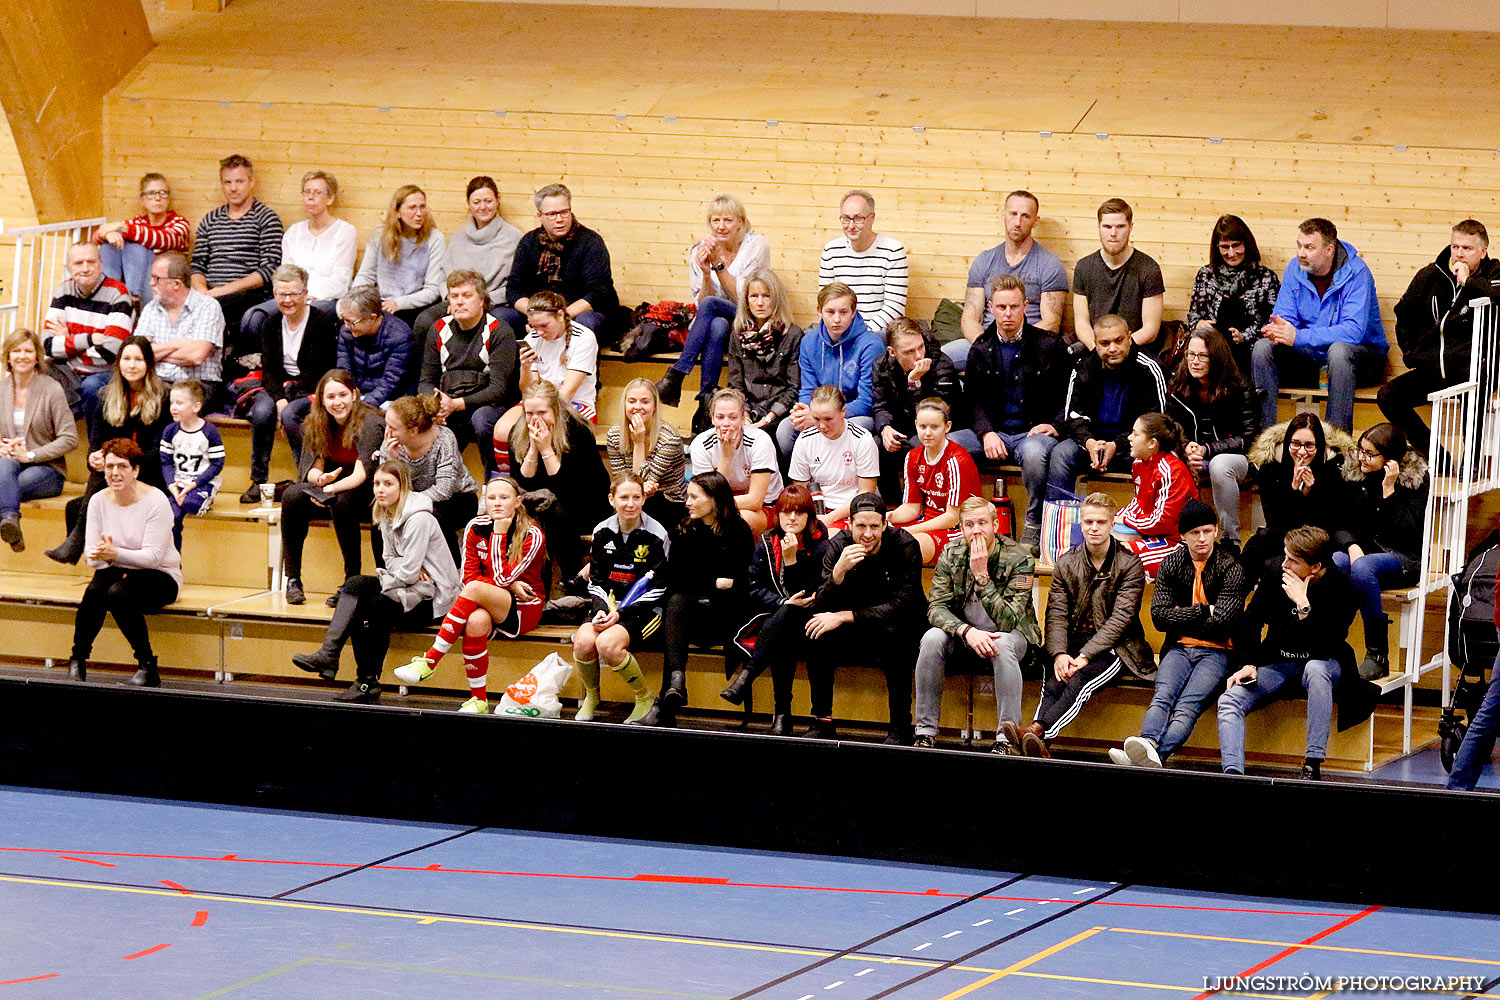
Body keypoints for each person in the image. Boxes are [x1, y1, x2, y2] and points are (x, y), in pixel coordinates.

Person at [291, 460, 459, 704]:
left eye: (388, 484)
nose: (380, 489)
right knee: (356, 584)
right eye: (377, 483)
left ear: (403, 487)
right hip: (407, 588)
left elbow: (410, 573)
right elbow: (390, 560)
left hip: (434, 599)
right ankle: (330, 655)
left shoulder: (419, 519)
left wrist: (400, 571)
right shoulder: (386, 513)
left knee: (371, 606)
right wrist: (401, 570)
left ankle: (365, 682)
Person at [1218, 526, 1373, 780]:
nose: (1285, 564)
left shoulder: (1344, 588)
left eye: (1293, 560)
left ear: (1314, 567)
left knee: (1315, 669)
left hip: (1325, 662)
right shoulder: (1275, 571)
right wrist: (1248, 663)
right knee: (1228, 701)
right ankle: (1234, 776)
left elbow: (1326, 646)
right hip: (1279, 661)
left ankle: (1312, 763)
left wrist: (1303, 605)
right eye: (1285, 556)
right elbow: (1250, 620)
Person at [1109, 500, 1246, 768]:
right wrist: (1205, 611)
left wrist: (1182, 616)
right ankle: (1147, 745)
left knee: (1186, 706)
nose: (1202, 538)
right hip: (1180, 647)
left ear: (1216, 531)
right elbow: (1160, 617)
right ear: (1183, 536)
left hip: (1217, 651)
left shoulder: (1231, 567)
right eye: (1194, 533)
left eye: (1207, 531)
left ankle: (1150, 756)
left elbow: (1224, 623)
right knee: (1162, 696)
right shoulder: (1171, 564)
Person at [394, 475, 546, 713]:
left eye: (504, 498)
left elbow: (501, 579)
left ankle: (430, 660)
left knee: (475, 590)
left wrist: (499, 534)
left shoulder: (532, 533)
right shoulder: (475, 526)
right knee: (475, 621)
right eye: (491, 497)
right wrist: (507, 585)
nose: (496, 503)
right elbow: (468, 577)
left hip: (524, 606)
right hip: (488, 600)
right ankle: (479, 699)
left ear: (517, 502)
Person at [1028, 492, 1152, 758]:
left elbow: (1121, 620)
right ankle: (1037, 740)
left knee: (1079, 680)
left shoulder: (1130, 564)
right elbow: (1056, 614)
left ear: (1112, 524)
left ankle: (1039, 732)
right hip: (1074, 641)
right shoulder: (1066, 562)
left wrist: (1084, 656)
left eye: (1100, 522)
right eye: (1088, 522)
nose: (1094, 528)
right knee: (1054, 677)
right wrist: (1060, 653)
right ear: (1081, 524)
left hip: (1119, 648)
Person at [916, 496, 1042, 753]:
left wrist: (982, 577)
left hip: (1013, 638)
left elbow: (1009, 621)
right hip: (967, 637)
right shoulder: (951, 553)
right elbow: (935, 608)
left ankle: (1007, 737)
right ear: (961, 529)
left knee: (1003, 643)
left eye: (982, 523)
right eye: (969, 524)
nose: (976, 531)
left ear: (995, 525)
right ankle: (924, 733)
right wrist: (966, 631)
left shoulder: (1022, 559)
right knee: (931, 638)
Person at [959, 274, 1070, 548]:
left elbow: (1070, 393)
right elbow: (971, 400)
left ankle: (1033, 522)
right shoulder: (980, 348)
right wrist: (985, 432)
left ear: (1025, 306)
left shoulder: (1050, 345)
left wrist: (1054, 425)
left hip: (1032, 432)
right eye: (1001, 307)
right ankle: (963, 519)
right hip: (993, 431)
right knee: (951, 447)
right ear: (991, 308)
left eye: (1014, 307)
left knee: (1035, 454)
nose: (1007, 314)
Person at [805, 492, 926, 743]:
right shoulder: (838, 545)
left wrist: (845, 616)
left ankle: (900, 726)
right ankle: (822, 720)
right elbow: (822, 602)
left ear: (885, 525)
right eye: (861, 526)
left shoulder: (905, 546)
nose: (867, 534)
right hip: (858, 624)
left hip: (899, 624)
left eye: (874, 526)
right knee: (817, 629)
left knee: (896, 636)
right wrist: (837, 573)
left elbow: (901, 606)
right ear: (850, 525)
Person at [65, 439, 182, 687]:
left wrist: (114, 553)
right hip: (116, 567)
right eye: (109, 467)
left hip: (160, 574)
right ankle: (78, 659)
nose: (114, 473)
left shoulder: (156, 500)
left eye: (122, 467)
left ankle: (147, 665)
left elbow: (152, 558)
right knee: (96, 590)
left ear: (135, 470)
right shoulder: (98, 500)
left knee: (118, 593)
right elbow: (91, 556)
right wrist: (106, 557)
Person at [1252, 218, 1388, 432]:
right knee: (1262, 348)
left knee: (1340, 351)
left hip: (1361, 361)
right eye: (1299, 245)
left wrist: (1298, 336)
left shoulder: (1357, 272)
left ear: (1329, 250)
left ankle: (1335, 446)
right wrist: (1279, 330)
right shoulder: (1294, 269)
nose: (1301, 253)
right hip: (1312, 359)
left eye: (1309, 247)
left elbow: (1352, 331)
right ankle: (1263, 441)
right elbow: (1285, 318)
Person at [641, 471, 754, 727]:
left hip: (725, 618)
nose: (687, 502)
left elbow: (741, 584)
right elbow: (676, 578)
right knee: (677, 601)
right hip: (690, 615)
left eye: (694, 497)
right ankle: (676, 682)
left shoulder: (738, 531)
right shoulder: (686, 528)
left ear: (714, 500)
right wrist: (714, 582)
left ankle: (666, 701)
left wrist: (703, 583)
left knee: (679, 604)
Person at [45, 336, 170, 565]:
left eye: (138, 360)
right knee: (81, 498)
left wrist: (122, 459)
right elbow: (95, 443)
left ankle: (76, 541)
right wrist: (94, 458)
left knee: (104, 475)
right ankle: (90, 552)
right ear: (118, 362)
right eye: (126, 359)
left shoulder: (164, 396)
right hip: (115, 475)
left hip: (149, 472)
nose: (132, 365)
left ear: (149, 364)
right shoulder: (105, 396)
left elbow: (162, 449)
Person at [1383, 220, 1500, 455]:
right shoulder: (1431, 275)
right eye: (1455, 246)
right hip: (1434, 366)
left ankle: (1472, 462)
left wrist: (1468, 282)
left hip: (1479, 367)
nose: (1459, 254)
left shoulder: (1494, 274)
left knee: (1474, 393)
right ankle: (1434, 452)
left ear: (1483, 252)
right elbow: (1403, 313)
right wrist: (1411, 353)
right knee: (1388, 396)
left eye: (1467, 249)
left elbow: (1495, 294)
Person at [721, 485, 833, 723]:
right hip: (776, 617)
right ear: (778, 514)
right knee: (783, 631)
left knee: (786, 621)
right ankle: (781, 714)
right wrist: (782, 602)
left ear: (809, 517)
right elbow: (753, 587)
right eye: (785, 512)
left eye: (799, 513)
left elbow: (808, 595)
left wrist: (792, 560)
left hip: (812, 618)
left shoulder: (822, 545)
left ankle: (759, 691)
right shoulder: (766, 541)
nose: (791, 518)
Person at [279, 369, 385, 606]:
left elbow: (361, 475)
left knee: (343, 502)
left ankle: (351, 580)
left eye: (343, 395)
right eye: (331, 397)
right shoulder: (316, 422)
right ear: (321, 400)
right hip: (333, 486)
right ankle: (293, 578)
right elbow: (313, 469)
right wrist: (321, 480)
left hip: (365, 490)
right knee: (292, 496)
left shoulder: (370, 423)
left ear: (354, 394)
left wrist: (329, 490)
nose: (337, 402)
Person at [572, 472, 670, 723]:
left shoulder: (657, 534)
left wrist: (621, 613)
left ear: (644, 499)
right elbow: (596, 580)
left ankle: (644, 698)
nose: (630, 504)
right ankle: (592, 696)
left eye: (636, 497)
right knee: (583, 641)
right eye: (624, 497)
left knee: (607, 644)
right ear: (611, 499)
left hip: (644, 611)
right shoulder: (602, 531)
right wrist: (603, 609)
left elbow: (658, 587)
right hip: (609, 606)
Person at [656, 194, 771, 408]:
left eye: (728, 220)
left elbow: (744, 298)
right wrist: (706, 273)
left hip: (749, 318)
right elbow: (701, 305)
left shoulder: (756, 245)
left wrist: (718, 263)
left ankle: (678, 373)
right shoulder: (700, 250)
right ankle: (705, 403)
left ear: (741, 223)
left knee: (712, 305)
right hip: (718, 324)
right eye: (715, 221)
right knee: (717, 324)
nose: (721, 226)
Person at [1336, 422, 1429, 680]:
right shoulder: (1355, 475)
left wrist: (1390, 492)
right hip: (1365, 554)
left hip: (1405, 558)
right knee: (1335, 561)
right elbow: (1339, 522)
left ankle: (1378, 654)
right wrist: (1351, 545)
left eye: (1369, 453)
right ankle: (1331, 643)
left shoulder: (1415, 481)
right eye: (1360, 450)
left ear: (1389, 459)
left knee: (1363, 567)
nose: (1362, 458)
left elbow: (1409, 532)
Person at [240, 263, 339, 502]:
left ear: (305, 294)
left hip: (312, 386)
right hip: (281, 387)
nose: (288, 300)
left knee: (291, 414)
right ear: (274, 295)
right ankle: (258, 480)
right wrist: (280, 398)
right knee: (263, 410)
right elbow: (270, 370)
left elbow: (323, 369)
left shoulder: (322, 321)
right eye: (282, 294)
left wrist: (290, 397)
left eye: (294, 294)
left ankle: (305, 479)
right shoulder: (271, 322)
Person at [1044, 314, 1168, 503]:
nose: (1113, 348)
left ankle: (1145, 521)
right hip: (1093, 444)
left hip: (1132, 446)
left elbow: (1156, 424)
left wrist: (1117, 445)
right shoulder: (1083, 367)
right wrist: (1090, 443)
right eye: (1105, 343)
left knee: (1153, 456)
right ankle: (1060, 524)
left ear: (1129, 337)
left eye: (1119, 340)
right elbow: (1072, 416)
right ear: (1095, 343)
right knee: (1061, 454)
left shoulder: (1149, 368)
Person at [237, 170, 358, 357]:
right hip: (291, 296)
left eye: (317, 193)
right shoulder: (294, 232)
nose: (311, 198)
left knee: (314, 317)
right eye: (307, 192)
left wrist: (306, 296)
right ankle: (259, 367)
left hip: (325, 299)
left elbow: (341, 281)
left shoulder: (345, 232)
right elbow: (284, 275)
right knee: (253, 317)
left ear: (330, 198)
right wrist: (293, 295)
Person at [948, 190, 1069, 370]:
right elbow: (969, 318)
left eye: (1025, 216)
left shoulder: (1050, 265)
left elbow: (1051, 322)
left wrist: (1014, 348)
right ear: (1003, 215)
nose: (1018, 222)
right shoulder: (984, 261)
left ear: (1036, 220)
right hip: (985, 340)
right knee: (939, 361)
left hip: (1030, 346)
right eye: (1013, 214)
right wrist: (987, 348)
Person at [419, 270, 519, 475]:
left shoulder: (499, 331)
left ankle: (495, 480)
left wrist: (456, 404)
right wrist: (435, 405)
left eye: (467, 295)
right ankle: (432, 482)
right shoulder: (438, 329)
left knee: (482, 420)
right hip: (450, 402)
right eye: (454, 296)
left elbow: (499, 389)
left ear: (482, 300)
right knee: (415, 416)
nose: (459, 302)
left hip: (489, 404)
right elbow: (426, 381)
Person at [507, 380, 610, 577]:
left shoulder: (577, 431)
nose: (536, 420)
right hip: (541, 503)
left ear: (555, 409)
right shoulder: (517, 433)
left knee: (554, 511)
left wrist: (546, 449)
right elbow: (521, 484)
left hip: (586, 504)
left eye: (542, 413)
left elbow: (570, 489)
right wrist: (533, 450)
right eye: (530, 414)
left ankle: (571, 579)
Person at [489, 289, 598, 475]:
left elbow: (567, 392)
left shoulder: (584, 338)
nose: (539, 332)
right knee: (501, 430)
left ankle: (564, 481)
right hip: (537, 401)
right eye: (533, 326)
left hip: (575, 403)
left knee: (558, 432)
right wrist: (525, 366)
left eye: (544, 325)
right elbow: (527, 391)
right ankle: (506, 482)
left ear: (561, 315)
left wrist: (540, 417)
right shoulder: (532, 338)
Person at [1165, 328, 1259, 543]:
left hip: (1240, 459)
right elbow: (1170, 426)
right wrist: (1186, 447)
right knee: (1165, 458)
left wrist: (1207, 449)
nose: (1194, 361)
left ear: (1216, 357)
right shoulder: (1177, 385)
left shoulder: (1239, 386)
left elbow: (1248, 438)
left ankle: (1231, 538)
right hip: (1196, 456)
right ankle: (1174, 533)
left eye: (1202, 356)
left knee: (1219, 464)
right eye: (1190, 354)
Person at [189, 154, 283, 364]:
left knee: (219, 306)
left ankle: (216, 363)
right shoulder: (210, 219)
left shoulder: (267, 218)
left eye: (239, 181)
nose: (233, 188)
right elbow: (196, 265)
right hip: (210, 293)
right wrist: (202, 291)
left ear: (251, 182)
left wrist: (219, 292)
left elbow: (269, 270)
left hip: (249, 294)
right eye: (227, 182)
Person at [1243, 412, 1357, 579]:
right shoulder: (1270, 469)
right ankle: (1229, 601)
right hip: (1284, 537)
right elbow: (1274, 520)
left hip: (1319, 542)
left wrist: (1311, 493)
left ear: (1319, 446)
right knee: (1257, 544)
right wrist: (1294, 490)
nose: (1302, 452)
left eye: (1309, 445)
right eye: (1295, 444)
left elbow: (1330, 523)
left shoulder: (1333, 470)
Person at [412, 176, 523, 348]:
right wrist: (453, 298)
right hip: (457, 300)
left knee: (494, 323)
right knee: (424, 321)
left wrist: (478, 302)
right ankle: (426, 374)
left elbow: (515, 286)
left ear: (497, 201)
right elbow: (444, 276)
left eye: (488, 201)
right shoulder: (459, 236)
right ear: (469, 204)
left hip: (495, 303)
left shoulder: (514, 237)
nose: (483, 207)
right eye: (477, 202)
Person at [777, 283, 883, 457]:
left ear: (853, 312)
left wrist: (823, 418)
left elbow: (867, 402)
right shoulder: (809, 342)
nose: (836, 319)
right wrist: (805, 411)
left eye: (843, 312)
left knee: (858, 428)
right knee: (785, 431)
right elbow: (808, 389)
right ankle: (803, 480)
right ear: (819, 311)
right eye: (830, 312)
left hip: (854, 413)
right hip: (819, 411)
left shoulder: (870, 346)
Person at [375, 394, 479, 564]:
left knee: (432, 516)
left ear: (413, 431)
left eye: (393, 427)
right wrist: (395, 463)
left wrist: (407, 506)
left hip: (458, 499)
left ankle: (455, 573)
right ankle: (388, 577)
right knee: (381, 521)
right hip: (412, 500)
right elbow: (387, 486)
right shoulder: (391, 443)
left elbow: (444, 490)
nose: (387, 431)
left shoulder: (444, 438)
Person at [503, 183, 619, 336]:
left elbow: (600, 292)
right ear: (540, 216)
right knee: (501, 317)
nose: (559, 219)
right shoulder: (529, 242)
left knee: (586, 323)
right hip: (537, 311)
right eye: (551, 214)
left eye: (564, 212)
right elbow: (514, 289)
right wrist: (536, 316)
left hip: (577, 312)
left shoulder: (590, 241)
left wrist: (560, 318)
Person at [0, 328, 77, 553]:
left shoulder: (51, 389)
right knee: (4, 468)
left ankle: (9, 520)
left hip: (46, 469)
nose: (22, 356)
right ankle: (10, 520)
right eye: (16, 351)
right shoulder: (1, 389)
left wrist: (30, 455)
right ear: (8, 356)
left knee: (6, 485)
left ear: (37, 357)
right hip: (8, 464)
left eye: (28, 351)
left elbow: (70, 437)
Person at [871, 317, 964, 502]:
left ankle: (921, 506)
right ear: (892, 352)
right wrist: (885, 429)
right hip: (903, 426)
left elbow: (937, 413)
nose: (919, 355)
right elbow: (880, 405)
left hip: (940, 428)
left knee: (920, 446)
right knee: (877, 446)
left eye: (920, 347)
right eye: (909, 351)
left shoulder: (940, 364)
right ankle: (893, 507)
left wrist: (914, 384)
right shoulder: (881, 366)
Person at [42, 240, 135, 415]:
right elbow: (47, 346)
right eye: (78, 263)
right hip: (68, 370)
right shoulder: (63, 291)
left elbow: (110, 353)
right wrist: (90, 339)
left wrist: (68, 340)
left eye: (91, 262)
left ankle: (91, 439)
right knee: (35, 373)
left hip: (104, 373)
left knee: (92, 387)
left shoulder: (118, 294)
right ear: (69, 267)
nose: (85, 268)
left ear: (101, 265)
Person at [887, 397, 981, 564]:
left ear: (947, 427)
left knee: (907, 547)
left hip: (959, 528)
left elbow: (952, 517)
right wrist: (889, 517)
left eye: (935, 427)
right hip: (928, 522)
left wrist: (907, 531)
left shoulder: (956, 460)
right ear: (915, 424)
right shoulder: (913, 457)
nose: (927, 433)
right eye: (922, 427)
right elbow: (911, 507)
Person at [1186, 215, 1281, 376]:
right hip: (1213, 353)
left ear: (1247, 244)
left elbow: (1273, 323)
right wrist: (1199, 324)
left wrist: (1245, 336)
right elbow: (1193, 317)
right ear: (1217, 248)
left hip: (1252, 353)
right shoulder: (1206, 275)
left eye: (1236, 245)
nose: (1231, 253)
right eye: (1225, 247)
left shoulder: (1266, 277)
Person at [351, 184, 448, 333]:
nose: (419, 213)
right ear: (397, 211)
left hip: (414, 305)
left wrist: (398, 303)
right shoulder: (379, 235)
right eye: (412, 208)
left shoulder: (435, 238)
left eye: (422, 207)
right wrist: (353, 300)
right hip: (382, 302)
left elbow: (432, 289)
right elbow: (366, 275)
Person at [136, 251, 227, 405]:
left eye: (156, 278)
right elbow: (139, 353)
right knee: (107, 396)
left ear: (176, 284)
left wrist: (155, 352)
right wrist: (179, 344)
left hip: (198, 384)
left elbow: (196, 356)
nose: (151, 283)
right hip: (158, 382)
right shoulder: (151, 308)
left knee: (158, 402)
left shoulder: (208, 306)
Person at [1072, 198, 1164, 351]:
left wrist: (1117, 349)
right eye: (1107, 226)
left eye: (1120, 226)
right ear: (1099, 227)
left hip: (1134, 350)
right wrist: (1100, 349)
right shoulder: (1084, 267)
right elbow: (1081, 323)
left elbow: (1150, 330)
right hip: (1095, 349)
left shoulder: (1148, 268)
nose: (1113, 233)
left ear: (1130, 227)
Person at [725, 268, 803, 448]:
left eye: (766, 296)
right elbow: (736, 385)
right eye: (754, 296)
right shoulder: (738, 334)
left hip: (780, 412)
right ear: (746, 301)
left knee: (760, 439)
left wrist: (768, 418)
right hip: (749, 410)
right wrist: (743, 414)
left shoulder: (792, 334)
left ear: (776, 299)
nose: (760, 303)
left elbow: (793, 388)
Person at [690, 387, 785, 535]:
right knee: (693, 520)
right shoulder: (701, 444)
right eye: (720, 417)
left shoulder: (759, 441)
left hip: (765, 507)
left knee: (737, 520)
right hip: (721, 505)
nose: (726, 423)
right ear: (712, 418)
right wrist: (726, 457)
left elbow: (755, 500)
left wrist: (713, 504)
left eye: (733, 417)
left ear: (742, 418)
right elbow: (707, 493)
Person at [1116, 413, 1197, 578]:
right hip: (1152, 536)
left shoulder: (1171, 471)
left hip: (1178, 544)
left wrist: (1126, 519)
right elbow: (1139, 502)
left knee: (1122, 562)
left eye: (1136, 434)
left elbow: (1160, 522)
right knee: (1101, 549)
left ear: (1152, 443)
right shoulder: (1139, 463)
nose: (1130, 438)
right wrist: (1114, 517)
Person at [818, 190, 908, 336]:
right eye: (846, 218)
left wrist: (861, 335)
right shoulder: (831, 251)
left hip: (878, 333)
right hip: (840, 330)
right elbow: (825, 302)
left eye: (858, 218)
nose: (851, 225)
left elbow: (894, 308)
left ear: (872, 218)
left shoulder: (893, 251)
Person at [93, 171, 191, 305]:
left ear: (168, 199)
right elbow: (96, 236)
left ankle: (131, 299)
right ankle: (109, 296)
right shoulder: (137, 223)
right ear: (142, 199)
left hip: (164, 277)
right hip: (137, 279)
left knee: (134, 244)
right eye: (151, 193)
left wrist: (122, 227)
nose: (158, 198)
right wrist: (108, 234)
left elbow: (162, 239)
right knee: (109, 244)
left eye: (163, 193)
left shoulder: (180, 223)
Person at [789, 385, 880, 528]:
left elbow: (866, 491)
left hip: (855, 509)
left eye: (828, 419)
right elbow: (801, 489)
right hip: (819, 510)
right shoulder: (805, 440)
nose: (822, 426)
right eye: (816, 419)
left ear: (843, 412)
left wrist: (830, 518)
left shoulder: (862, 439)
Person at [606, 377, 687, 528]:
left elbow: (639, 485)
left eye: (645, 401)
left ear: (655, 406)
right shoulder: (614, 435)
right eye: (632, 401)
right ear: (624, 405)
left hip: (670, 502)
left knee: (644, 505)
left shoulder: (669, 439)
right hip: (634, 500)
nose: (638, 407)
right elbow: (622, 481)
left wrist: (638, 443)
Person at [159, 379, 225, 549]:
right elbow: (166, 462)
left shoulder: (209, 432)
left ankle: (198, 500)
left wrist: (194, 483)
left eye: (179, 403)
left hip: (202, 484)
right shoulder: (170, 431)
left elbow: (217, 464)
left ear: (196, 407)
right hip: (179, 485)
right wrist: (172, 485)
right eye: (172, 402)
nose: (173, 407)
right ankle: (173, 563)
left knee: (190, 503)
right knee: (169, 517)